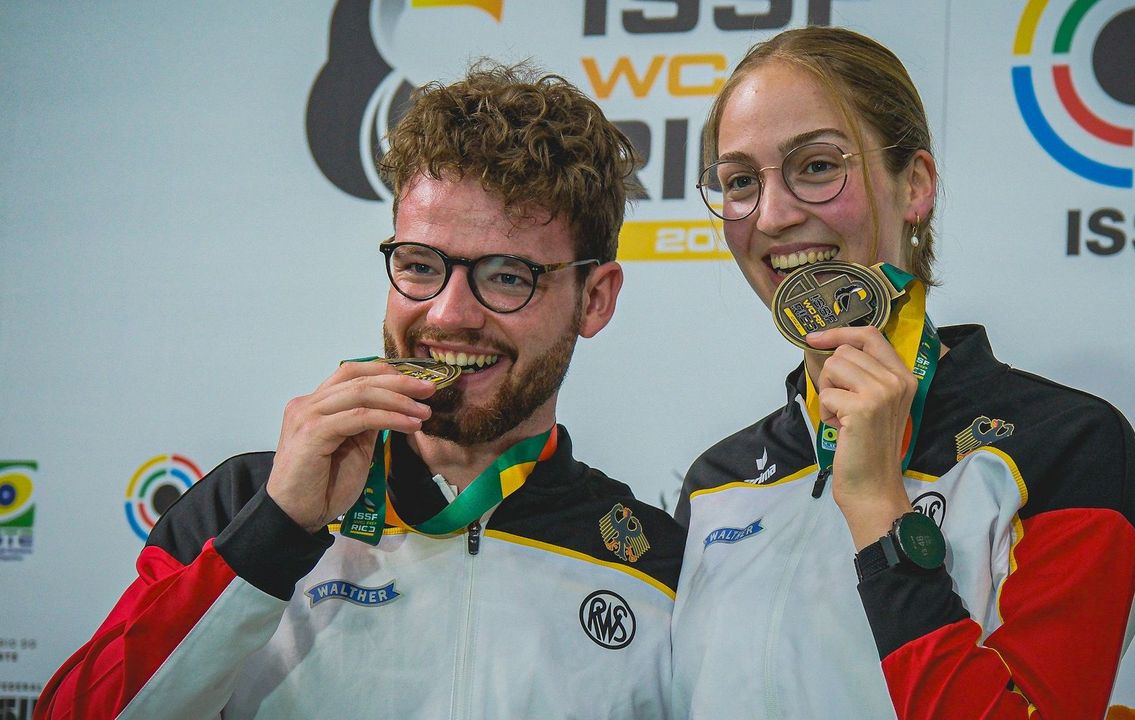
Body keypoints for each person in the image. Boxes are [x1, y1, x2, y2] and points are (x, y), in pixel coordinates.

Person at [37, 62, 684, 719]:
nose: (447, 314)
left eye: (507, 275)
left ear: (594, 299)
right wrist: (275, 532)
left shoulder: (652, 562)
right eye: (420, 266)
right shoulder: (244, 505)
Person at [671, 26, 1135, 719]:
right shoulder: (719, 480)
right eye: (741, 181)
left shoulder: (1065, 442)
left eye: (817, 166)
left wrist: (878, 507)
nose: (771, 215)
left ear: (915, 185)